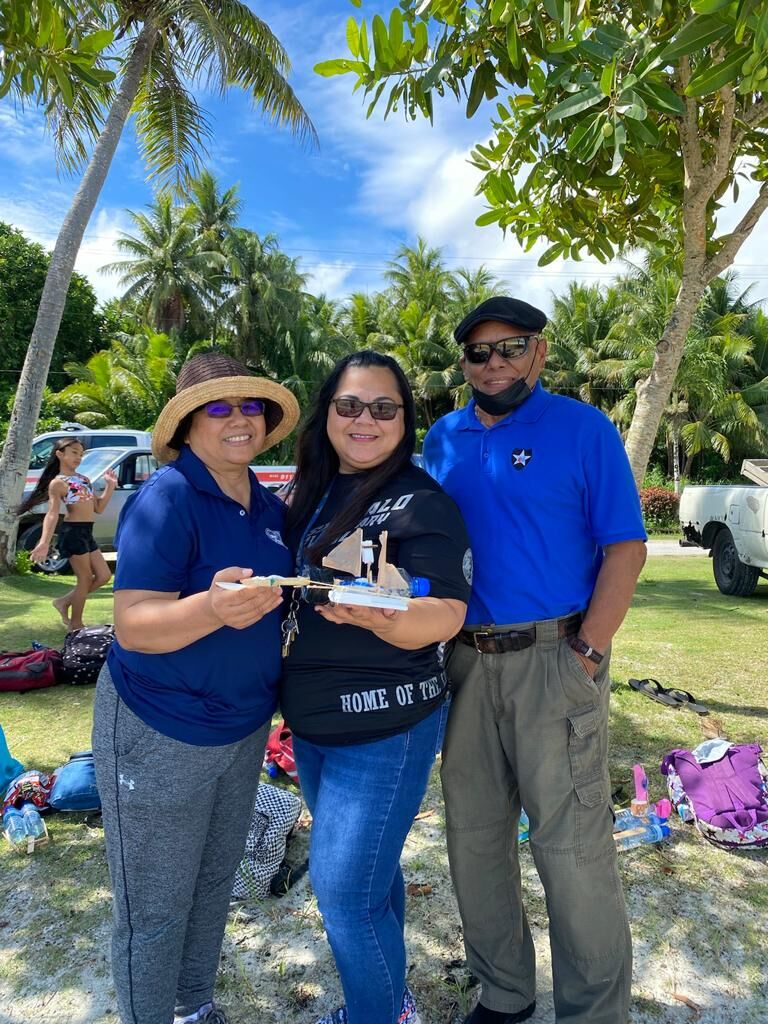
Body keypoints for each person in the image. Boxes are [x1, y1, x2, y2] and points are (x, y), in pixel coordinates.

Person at [423, 297, 648, 1024]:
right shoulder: (443, 438)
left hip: (556, 656)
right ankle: (506, 994)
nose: (494, 365)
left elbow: (626, 546)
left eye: (511, 348)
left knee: (573, 848)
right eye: (479, 354)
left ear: (540, 353)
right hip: (462, 664)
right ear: (464, 364)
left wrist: (588, 651)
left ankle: (593, 1012)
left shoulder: (582, 429)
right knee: (475, 843)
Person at [91, 352, 299, 1024]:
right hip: (159, 727)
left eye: (250, 406)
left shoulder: (269, 506)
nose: (237, 419)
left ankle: (194, 1008)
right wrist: (210, 608)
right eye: (217, 406)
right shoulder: (168, 496)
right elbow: (133, 625)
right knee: (154, 907)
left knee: (212, 885)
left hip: (241, 731)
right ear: (186, 423)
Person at [281, 350, 471, 1024]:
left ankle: (378, 1015)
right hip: (312, 726)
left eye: (384, 407)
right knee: (371, 880)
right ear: (327, 412)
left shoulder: (423, 502)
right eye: (350, 405)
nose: (366, 419)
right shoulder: (310, 490)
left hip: (385, 728)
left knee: (340, 895)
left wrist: (382, 615)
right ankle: (393, 1001)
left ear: (405, 420)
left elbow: (444, 611)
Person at [18, 438, 117, 628]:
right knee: (85, 579)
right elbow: (52, 514)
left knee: (104, 576)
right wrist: (44, 542)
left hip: (87, 532)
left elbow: (99, 508)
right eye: (74, 452)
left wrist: (110, 486)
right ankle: (76, 624)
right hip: (72, 532)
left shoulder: (83, 479)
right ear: (60, 454)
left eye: (81, 454)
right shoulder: (58, 483)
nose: (78, 457)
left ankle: (63, 602)